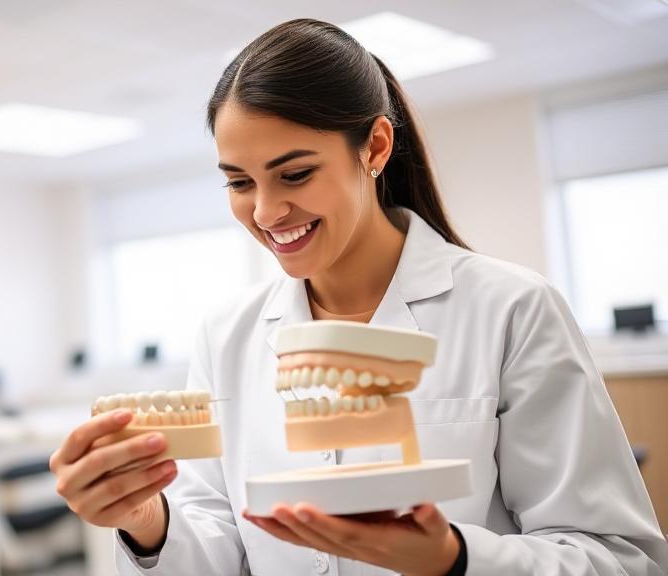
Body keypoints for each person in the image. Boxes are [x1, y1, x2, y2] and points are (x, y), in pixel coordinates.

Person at [49, 18, 668, 575]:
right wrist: (148, 521)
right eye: (239, 182)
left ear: (373, 147)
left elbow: (618, 558)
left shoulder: (511, 309)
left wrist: (455, 559)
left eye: (295, 174)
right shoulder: (225, 333)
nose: (266, 211)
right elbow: (219, 547)